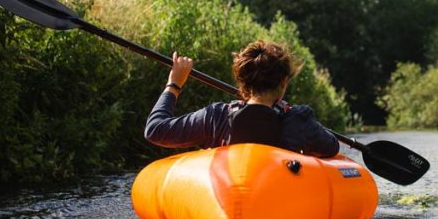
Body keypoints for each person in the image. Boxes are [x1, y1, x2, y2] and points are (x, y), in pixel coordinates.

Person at [144, 40, 339, 158]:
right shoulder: (298, 119)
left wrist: (174, 84)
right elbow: (332, 147)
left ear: (242, 84)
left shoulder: (217, 117)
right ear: (283, 82)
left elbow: (155, 130)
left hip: (230, 207)